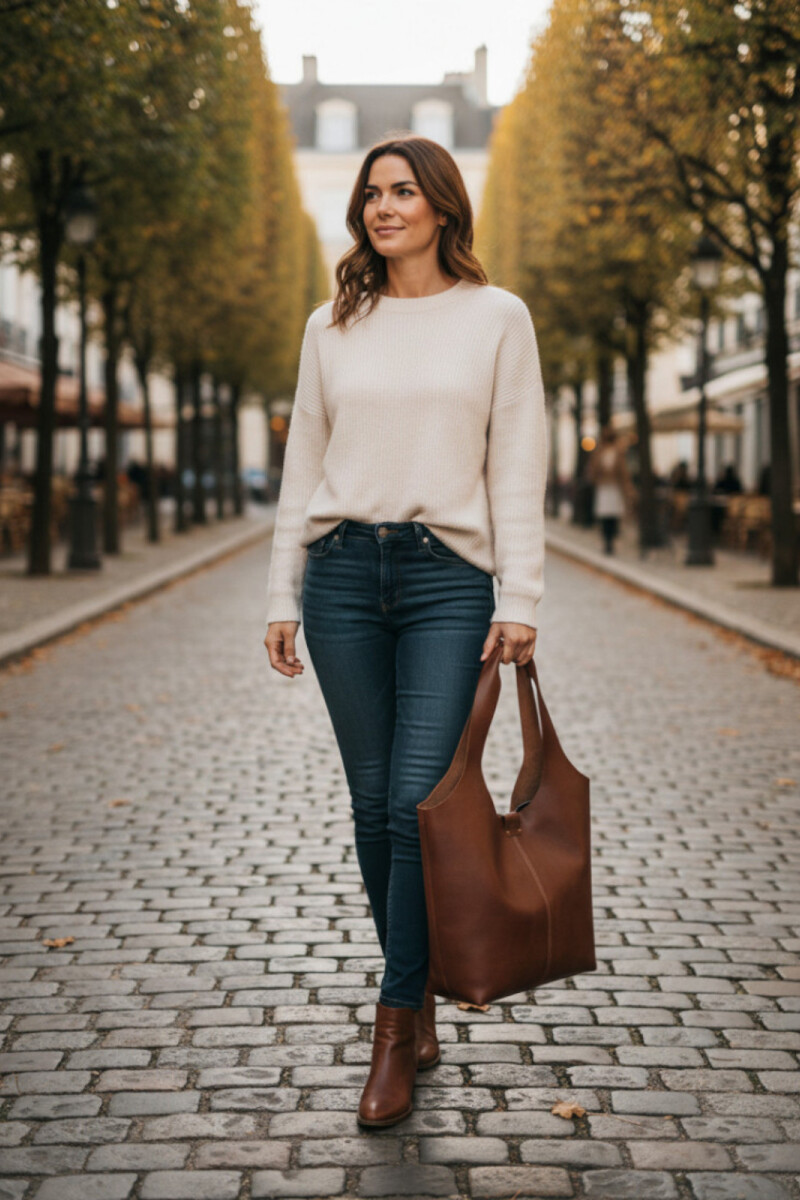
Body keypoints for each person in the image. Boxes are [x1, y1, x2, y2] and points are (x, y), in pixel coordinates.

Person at [263, 134, 547, 1128]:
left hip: (446, 582)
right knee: (371, 802)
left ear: (441, 207)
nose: (383, 207)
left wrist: (520, 597)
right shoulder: (332, 325)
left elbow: (517, 459)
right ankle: (415, 987)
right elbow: (303, 463)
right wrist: (281, 593)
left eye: (403, 191)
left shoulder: (496, 317)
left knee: (415, 805)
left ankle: (392, 1025)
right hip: (342, 577)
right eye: (372, 194)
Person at [586, 426, 633, 554]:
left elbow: (623, 473)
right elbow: (593, 470)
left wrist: (626, 487)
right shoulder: (599, 453)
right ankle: (607, 541)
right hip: (604, 488)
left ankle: (610, 541)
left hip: (614, 488)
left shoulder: (618, 453)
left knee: (613, 516)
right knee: (605, 516)